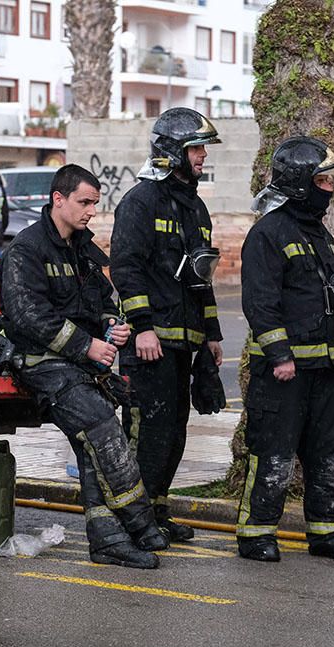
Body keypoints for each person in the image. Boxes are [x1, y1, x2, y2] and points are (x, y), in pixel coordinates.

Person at [0, 164, 167, 569]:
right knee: (100, 424)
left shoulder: (84, 250)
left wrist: (112, 324)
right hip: (41, 365)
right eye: (85, 202)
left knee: (94, 444)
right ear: (59, 199)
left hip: (79, 365)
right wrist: (86, 345)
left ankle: (108, 539)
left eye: (95, 203)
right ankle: (139, 521)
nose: (92, 211)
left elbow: (106, 299)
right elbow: (26, 315)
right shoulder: (26, 249)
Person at [237, 136, 334, 563]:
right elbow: (260, 302)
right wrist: (280, 356)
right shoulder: (267, 233)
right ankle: (256, 534)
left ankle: (329, 533)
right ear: (299, 182)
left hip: (322, 367)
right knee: (272, 452)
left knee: (326, 451)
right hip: (283, 373)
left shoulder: (319, 235)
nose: (330, 187)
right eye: (322, 179)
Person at [109, 107, 224, 543]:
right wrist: (142, 327)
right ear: (173, 151)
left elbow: (202, 277)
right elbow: (126, 268)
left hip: (185, 344)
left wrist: (211, 335)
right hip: (149, 345)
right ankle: (133, 520)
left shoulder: (195, 208)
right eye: (196, 149)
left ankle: (156, 511)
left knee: (174, 434)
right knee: (144, 435)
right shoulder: (140, 202)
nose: (201, 158)